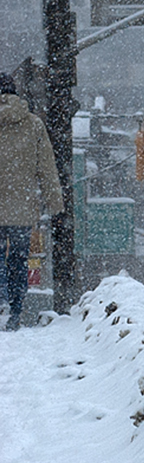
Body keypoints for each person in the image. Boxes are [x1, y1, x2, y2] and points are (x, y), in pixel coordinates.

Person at [0, 73, 63, 331]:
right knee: (18, 259)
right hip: (22, 208)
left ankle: (1, 300)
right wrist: (55, 203)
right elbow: (46, 168)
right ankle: (15, 309)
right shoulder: (33, 124)